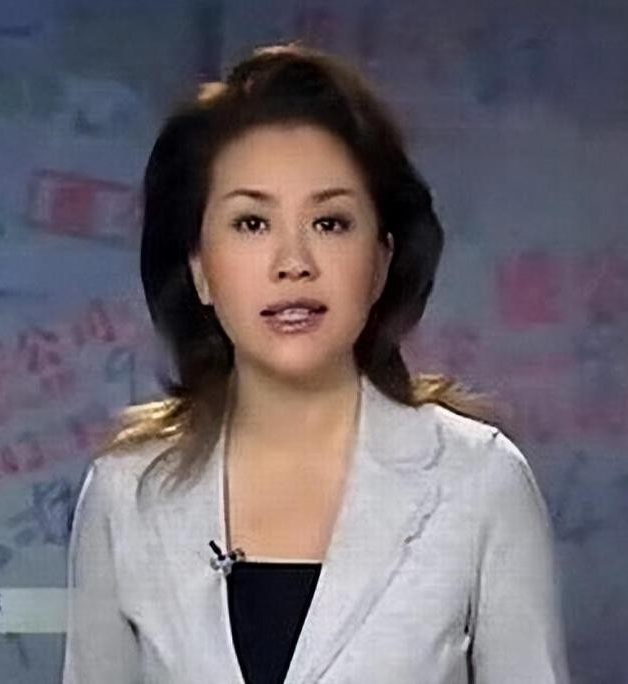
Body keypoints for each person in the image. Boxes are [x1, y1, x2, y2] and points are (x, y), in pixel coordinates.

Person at [61, 41, 570, 684]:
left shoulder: (479, 483)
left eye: (330, 223)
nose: (293, 263)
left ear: (381, 260)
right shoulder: (127, 492)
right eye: (252, 223)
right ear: (199, 269)